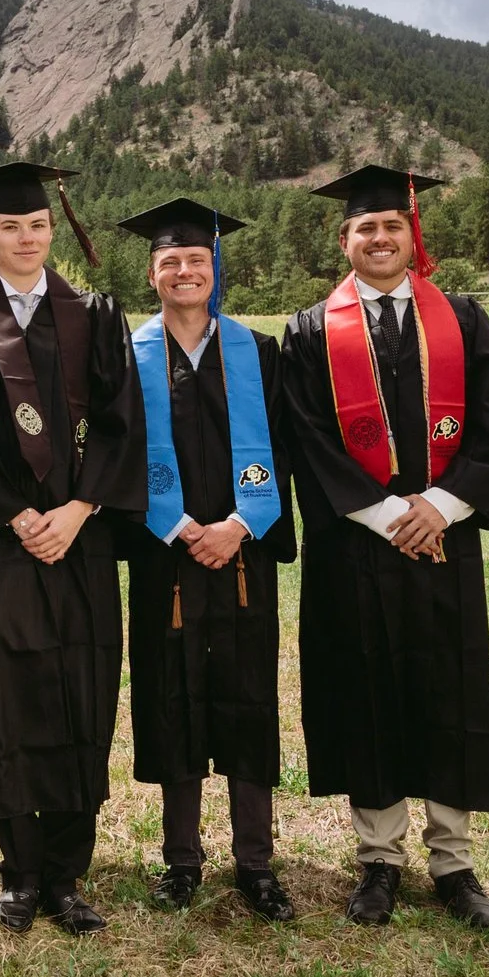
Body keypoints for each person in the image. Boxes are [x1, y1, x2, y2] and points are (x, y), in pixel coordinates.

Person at [278, 166, 489, 929]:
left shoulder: (465, 320)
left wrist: (439, 509)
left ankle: (453, 861)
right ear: (343, 239)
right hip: (359, 547)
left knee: (447, 693)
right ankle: (378, 860)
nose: (379, 238)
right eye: (364, 228)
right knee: (367, 693)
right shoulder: (312, 331)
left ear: (412, 234)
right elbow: (310, 442)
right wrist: (389, 515)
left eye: (391, 225)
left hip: (443, 545)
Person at [0, 161, 145, 935]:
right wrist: (18, 516)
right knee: (8, 695)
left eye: (37, 225)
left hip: (78, 538)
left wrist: (82, 508)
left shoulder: (94, 314)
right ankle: (18, 872)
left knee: (82, 687)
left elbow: (122, 423)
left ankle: (67, 873)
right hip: (2, 544)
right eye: (10, 226)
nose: (25, 238)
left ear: (55, 232)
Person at [111, 199, 297, 922]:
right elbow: (118, 455)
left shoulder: (259, 352)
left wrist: (240, 525)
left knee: (248, 698)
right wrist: (180, 525)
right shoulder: (130, 356)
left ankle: (255, 862)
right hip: (168, 559)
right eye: (170, 261)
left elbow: (282, 452)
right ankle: (181, 860)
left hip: (243, 556)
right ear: (152, 272)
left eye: (196, 259)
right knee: (172, 697)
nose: (184, 270)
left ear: (214, 267)